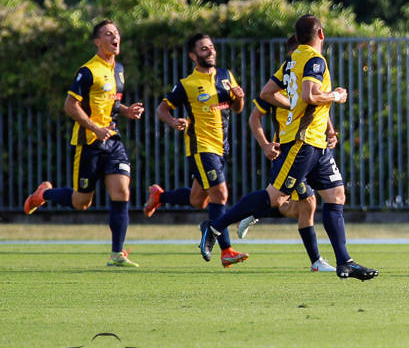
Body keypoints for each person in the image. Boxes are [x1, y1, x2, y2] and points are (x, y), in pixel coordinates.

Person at [198, 15, 377, 281]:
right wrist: (336, 96)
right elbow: (309, 95)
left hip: (317, 144)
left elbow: (268, 92)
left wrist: (297, 108)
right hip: (303, 143)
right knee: (274, 198)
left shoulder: (292, 61)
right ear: (321, 34)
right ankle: (214, 226)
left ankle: (345, 262)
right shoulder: (315, 60)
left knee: (335, 196)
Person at [22, 20, 145, 267]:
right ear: (97, 41)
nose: (115, 37)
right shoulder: (87, 71)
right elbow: (70, 105)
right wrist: (95, 128)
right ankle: (43, 194)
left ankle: (117, 254)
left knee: (122, 192)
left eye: (117, 33)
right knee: (82, 202)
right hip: (89, 142)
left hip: (113, 141)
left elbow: (108, 103)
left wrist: (126, 110)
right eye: (108, 34)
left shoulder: (119, 69)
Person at [141, 33, 249, 268]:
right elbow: (162, 109)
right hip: (202, 148)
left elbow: (237, 108)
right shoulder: (187, 84)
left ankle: (160, 197)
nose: (209, 51)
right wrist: (172, 122)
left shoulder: (226, 76)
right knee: (220, 195)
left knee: (198, 200)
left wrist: (239, 98)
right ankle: (226, 250)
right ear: (193, 56)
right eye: (203, 48)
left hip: (222, 147)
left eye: (211, 47)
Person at [240, 35, 337, 273]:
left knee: (305, 204)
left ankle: (315, 261)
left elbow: (317, 110)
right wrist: (264, 144)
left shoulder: (308, 77)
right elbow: (255, 117)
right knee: (285, 200)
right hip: (288, 150)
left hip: (306, 148)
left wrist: (331, 131)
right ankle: (237, 216)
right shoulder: (284, 80)